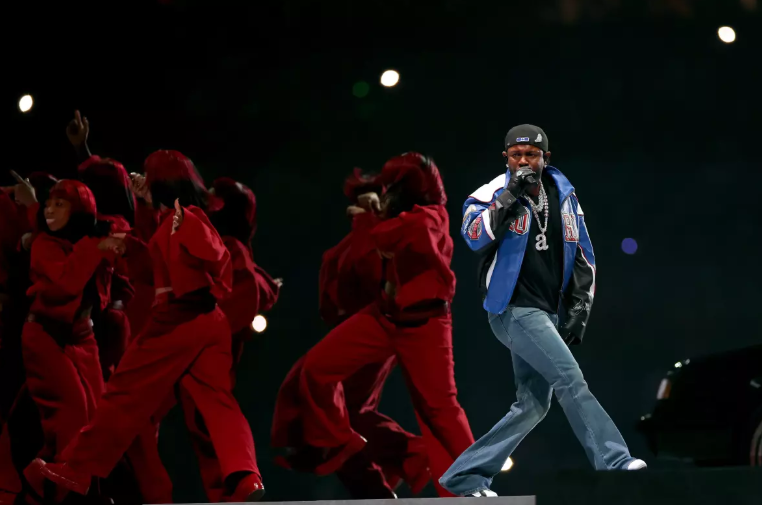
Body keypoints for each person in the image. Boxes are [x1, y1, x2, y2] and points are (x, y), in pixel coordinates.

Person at [24, 150, 264, 503]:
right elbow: (157, 267)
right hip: (205, 322)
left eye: (148, 177)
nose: (141, 181)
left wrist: (180, 232)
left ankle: (77, 468)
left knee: (123, 393)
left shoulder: (186, 217)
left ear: (162, 182)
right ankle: (244, 477)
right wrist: (132, 246)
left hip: (178, 319)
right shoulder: (171, 218)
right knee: (216, 401)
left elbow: (216, 261)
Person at [438, 125, 646, 498]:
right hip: (513, 309)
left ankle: (464, 477)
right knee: (570, 379)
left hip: (547, 310)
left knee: (532, 405)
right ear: (506, 158)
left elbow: (584, 254)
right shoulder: (489, 193)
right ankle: (613, 461)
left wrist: (579, 309)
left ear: (545, 158)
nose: (522, 161)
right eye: (515, 154)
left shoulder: (565, 195)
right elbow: (474, 237)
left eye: (530, 155)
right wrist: (509, 195)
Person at [296, 153, 475, 489]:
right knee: (317, 367)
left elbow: (393, 237)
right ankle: (347, 444)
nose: (385, 195)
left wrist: (370, 217)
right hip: (384, 318)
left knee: (440, 411)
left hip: (426, 327)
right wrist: (372, 216)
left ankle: (468, 488)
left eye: (391, 189)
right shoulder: (394, 217)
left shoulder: (430, 218)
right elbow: (365, 254)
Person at [271, 169, 431, 498]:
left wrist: (366, 223)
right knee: (340, 418)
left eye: (371, 198)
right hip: (353, 334)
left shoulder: (382, 236)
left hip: (370, 333)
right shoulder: (359, 239)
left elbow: (374, 275)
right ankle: (399, 468)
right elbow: (332, 296)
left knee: (331, 418)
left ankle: (404, 462)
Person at [175, 176, 281, 502]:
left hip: (202, 347)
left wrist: (203, 330)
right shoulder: (222, 244)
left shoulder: (228, 247)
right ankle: (229, 491)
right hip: (198, 345)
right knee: (202, 422)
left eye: (210, 198)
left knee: (209, 417)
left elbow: (244, 297)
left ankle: (235, 486)